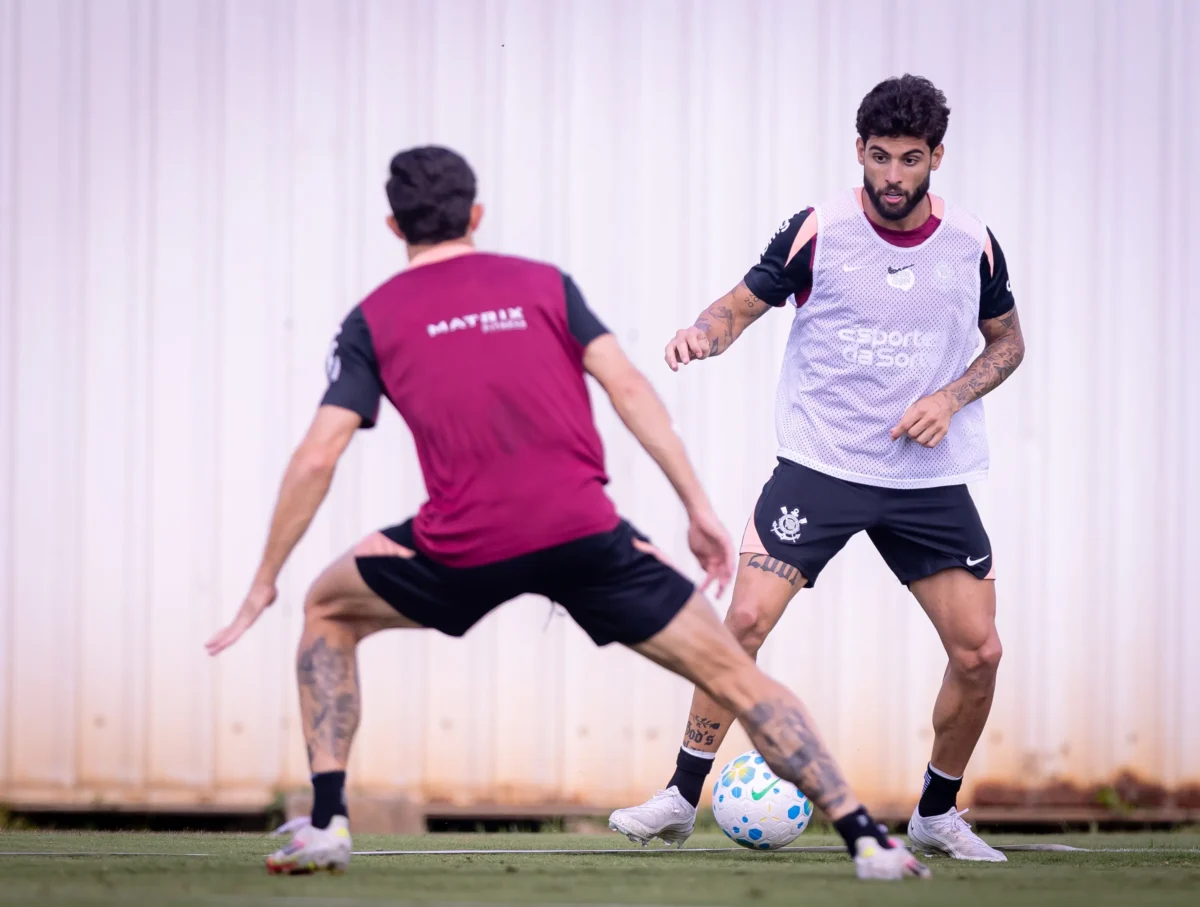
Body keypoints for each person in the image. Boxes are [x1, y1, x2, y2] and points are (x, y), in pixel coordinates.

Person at [205, 145, 930, 880]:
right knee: (737, 674)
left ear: (394, 226)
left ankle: (327, 822)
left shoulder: (372, 318)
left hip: (461, 544)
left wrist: (265, 580)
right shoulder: (544, 285)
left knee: (327, 607)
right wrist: (697, 508)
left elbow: (317, 457)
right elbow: (631, 389)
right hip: (586, 537)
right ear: (475, 215)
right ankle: (868, 839)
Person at [609, 74, 1025, 863]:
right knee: (742, 624)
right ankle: (680, 796)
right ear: (858, 150)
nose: (893, 176)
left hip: (927, 479)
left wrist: (950, 396)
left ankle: (937, 814)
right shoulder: (819, 230)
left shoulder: (973, 243)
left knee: (980, 653)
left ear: (937, 157)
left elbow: (1008, 341)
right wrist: (701, 334)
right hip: (821, 466)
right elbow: (737, 307)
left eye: (910, 159)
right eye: (880, 157)